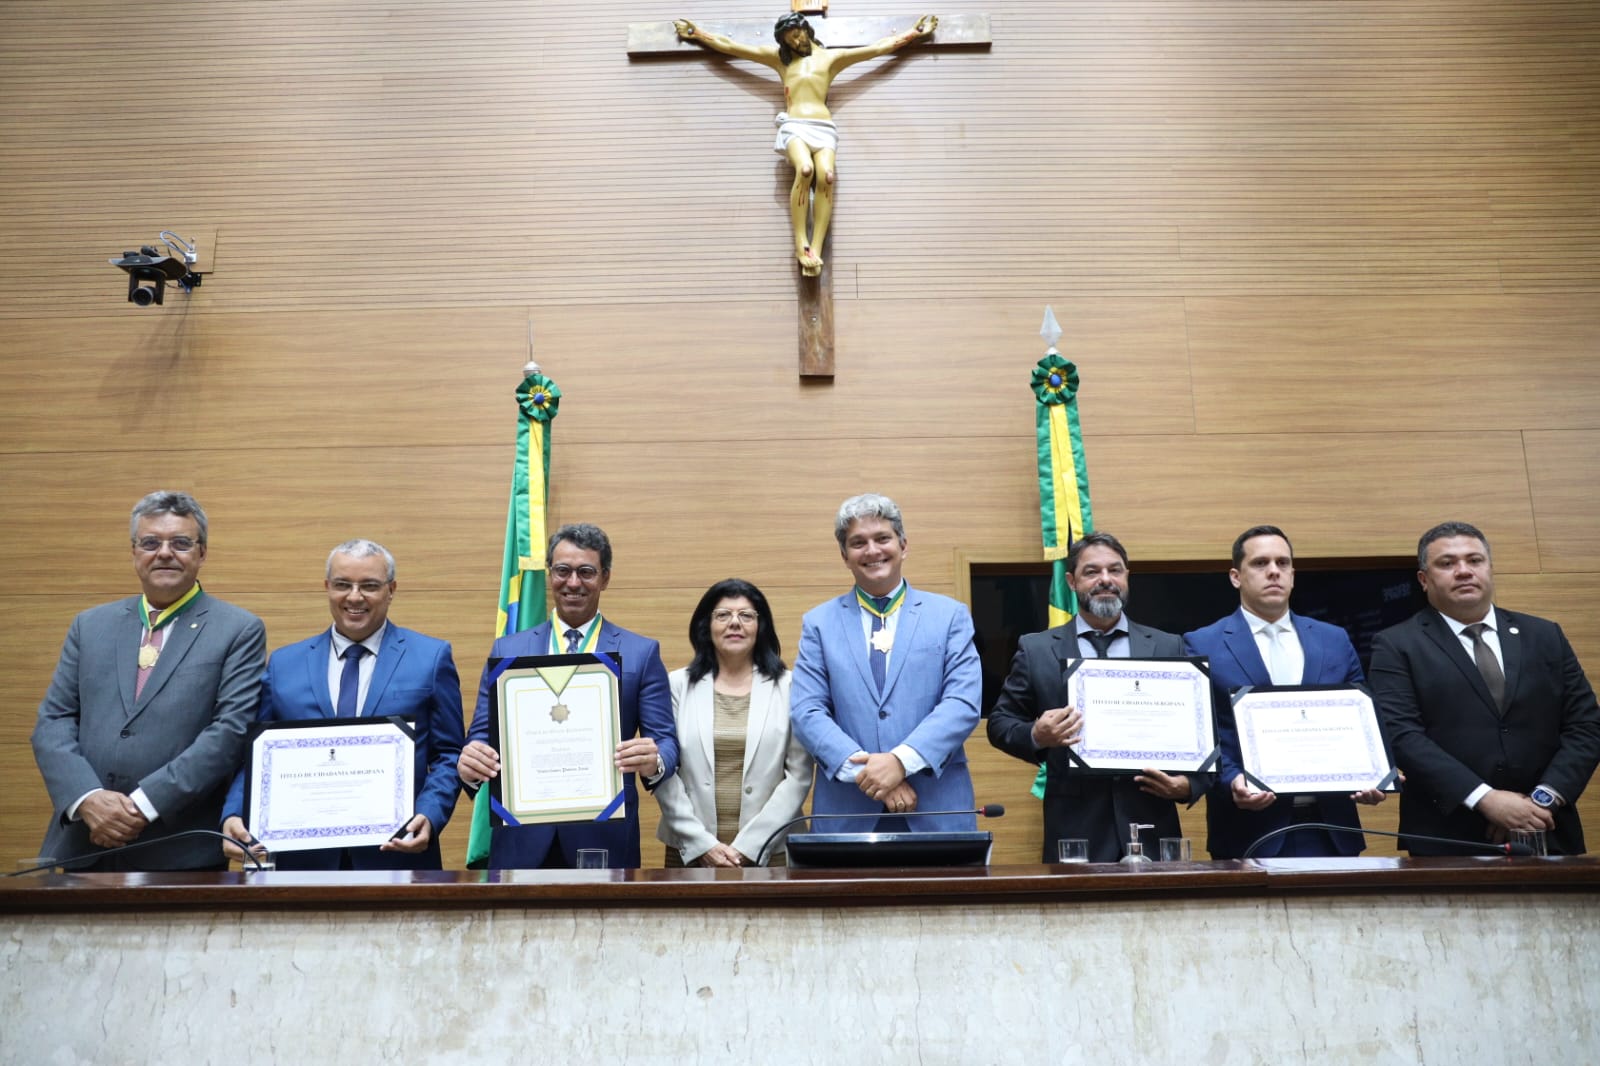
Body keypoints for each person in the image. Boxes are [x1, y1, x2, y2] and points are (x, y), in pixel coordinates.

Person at [31, 491, 266, 870]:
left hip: (177, 850)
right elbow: (53, 722)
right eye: (151, 542)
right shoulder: (90, 625)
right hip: (84, 843)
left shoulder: (238, 629)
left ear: (202, 553)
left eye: (181, 543)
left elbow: (229, 733)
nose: (165, 553)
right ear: (134, 552)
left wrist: (142, 806)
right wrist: (88, 798)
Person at [218, 540, 465, 870]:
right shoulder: (283, 665)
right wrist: (233, 812)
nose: (354, 597)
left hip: (396, 859)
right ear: (327, 587)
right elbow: (256, 756)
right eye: (342, 585)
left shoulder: (430, 659)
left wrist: (430, 814)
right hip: (301, 865)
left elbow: (449, 754)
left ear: (391, 590)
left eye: (370, 586)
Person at [1370, 521, 1600, 855]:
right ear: (1424, 579)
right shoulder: (1395, 644)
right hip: (1447, 835)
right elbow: (1402, 735)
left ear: (1490, 569)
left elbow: (1586, 725)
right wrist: (1486, 799)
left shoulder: (1545, 635)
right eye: (1447, 563)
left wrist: (1540, 802)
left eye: (1474, 560)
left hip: (1547, 827)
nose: (1463, 571)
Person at [458, 523, 678, 868]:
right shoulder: (509, 649)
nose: (573, 582)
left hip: (602, 837)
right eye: (562, 570)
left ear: (604, 578)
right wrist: (471, 760)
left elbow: (665, 741)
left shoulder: (641, 653)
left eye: (586, 572)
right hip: (521, 839)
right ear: (550, 574)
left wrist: (655, 760)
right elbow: (481, 736)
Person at [987, 532, 1204, 862]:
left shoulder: (1168, 646)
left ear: (1127, 577)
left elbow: (1202, 729)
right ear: (1072, 581)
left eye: (1115, 570)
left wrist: (1189, 785)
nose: (1106, 579)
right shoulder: (1037, 649)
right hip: (1075, 830)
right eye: (1092, 572)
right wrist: (1036, 735)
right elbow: (1000, 724)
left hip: (1152, 822)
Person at [674, 12, 938, 276]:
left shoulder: (831, 59)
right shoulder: (780, 60)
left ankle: (816, 248)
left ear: (806, 29)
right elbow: (733, 47)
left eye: (797, 34)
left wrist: (913, 34)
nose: (795, 41)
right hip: (795, 126)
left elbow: (877, 48)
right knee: (805, 170)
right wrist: (698, 34)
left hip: (824, 128)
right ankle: (801, 243)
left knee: (828, 175)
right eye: (789, 39)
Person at [1183, 525, 1385, 858]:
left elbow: (1363, 721)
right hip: (1248, 831)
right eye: (1260, 563)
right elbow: (1200, 736)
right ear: (1236, 576)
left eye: (1283, 563)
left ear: (1293, 574)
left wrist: (1376, 773)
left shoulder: (1333, 639)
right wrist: (1231, 779)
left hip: (1332, 830)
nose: (1274, 571)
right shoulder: (1202, 643)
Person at [789, 494, 982, 833]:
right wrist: (874, 776)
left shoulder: (950, 616)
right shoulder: (819, 624)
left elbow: (962, 704)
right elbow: (807, 712)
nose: (872, 551)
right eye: (858, 543)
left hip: (936, 811)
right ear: (844, 556)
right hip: (847, 813)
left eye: (882, 538)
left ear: (903, 545)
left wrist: (899, 762)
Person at [653, 578, 813, 867]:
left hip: (770, 851)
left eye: (746, 615)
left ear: (760, 627)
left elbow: (799, 776)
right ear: (706, 626)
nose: (735, 623)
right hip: (690, 851)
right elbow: (663, 773)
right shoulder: (676, 684)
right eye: (723, 615)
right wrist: (702, 844)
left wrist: (748, 847)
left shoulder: (791, 686)